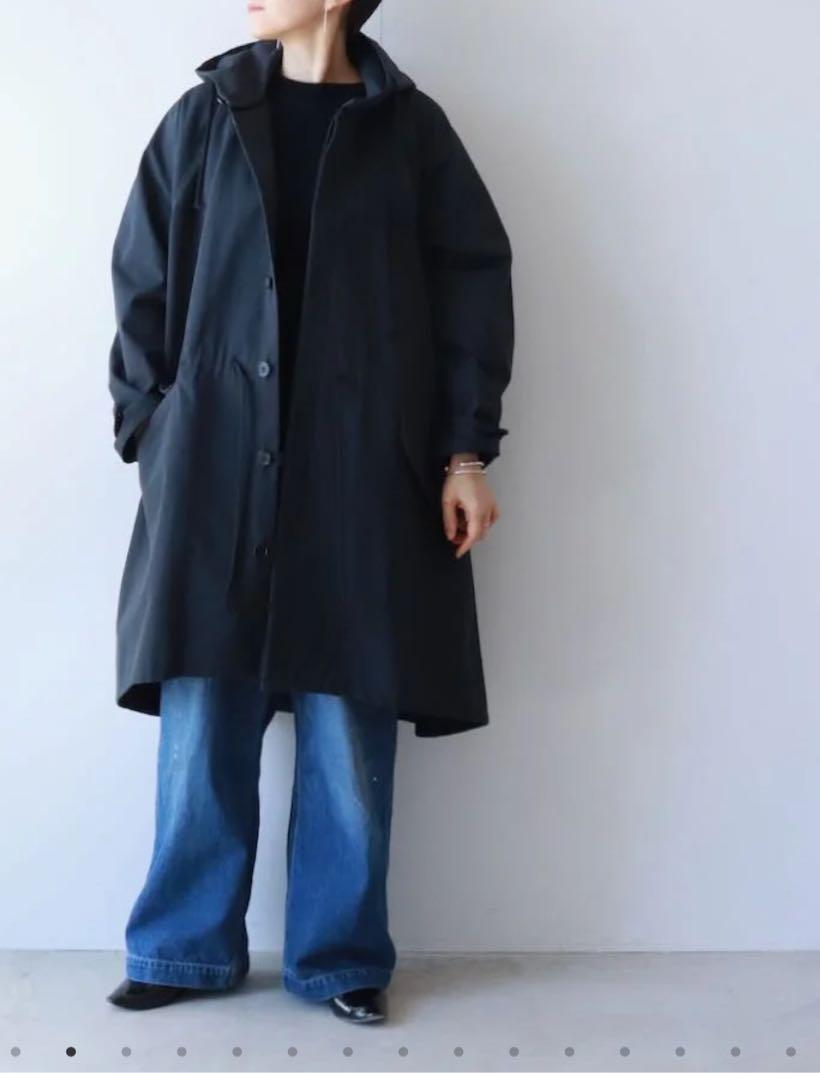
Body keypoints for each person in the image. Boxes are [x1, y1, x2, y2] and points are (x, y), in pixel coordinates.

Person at [105, 0, 515, 1024]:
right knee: (205, 708)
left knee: (348, 713)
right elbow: (141, 274)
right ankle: (180, 948)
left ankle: (340, 958)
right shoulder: (202, 117)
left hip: (361, 462)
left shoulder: (409, 130)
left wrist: (465, 452)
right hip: (214, 457)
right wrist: (151, 424)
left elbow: (473, 292)